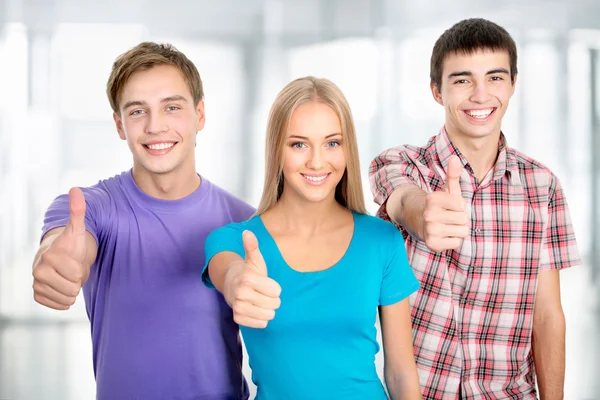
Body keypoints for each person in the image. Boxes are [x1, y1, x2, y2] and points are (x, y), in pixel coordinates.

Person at [370, 18, 582, 400]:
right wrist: (422, 213)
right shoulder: (403, 164)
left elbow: (547, 316)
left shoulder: (543, 186)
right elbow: (400, 198)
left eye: (496, 78)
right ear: (437, 91)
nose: (481, 95)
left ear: (513, 84)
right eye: (463, 80)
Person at [31, 42, 253, 400]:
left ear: (200, 115)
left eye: (172, 107)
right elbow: (66, 248)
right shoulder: (89, 208)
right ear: (120, 125)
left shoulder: (244, 221)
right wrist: (55, 261)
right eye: (137, 112)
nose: (155, 126)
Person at [202, 76, 422, 399]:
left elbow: (401, 373)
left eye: (332, 143)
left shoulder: (382, 240)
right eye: (298, 144)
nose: (317, 161)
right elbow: (230, 272)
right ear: (277, 149)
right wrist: (239, 284)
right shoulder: (234, 241)